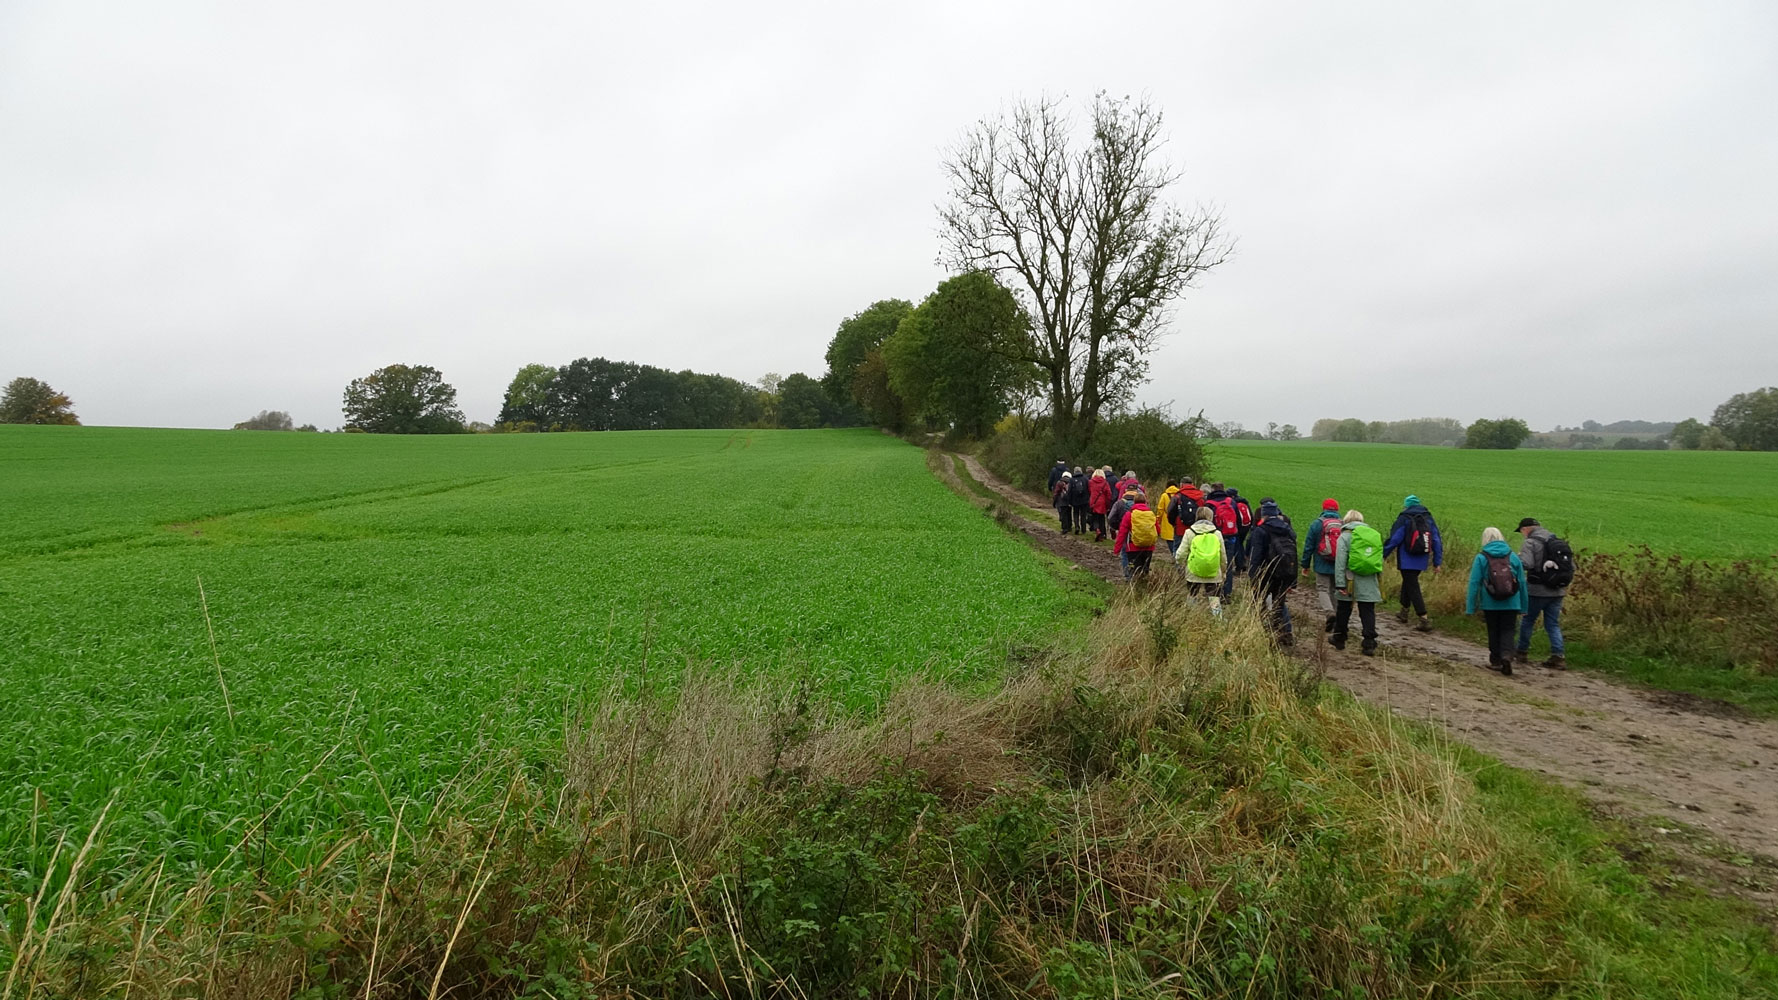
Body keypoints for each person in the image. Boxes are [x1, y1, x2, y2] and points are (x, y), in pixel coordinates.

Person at [1466, 526, 1529, 674]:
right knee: (1508, 629)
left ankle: (1495, 660)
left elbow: (1474, 583)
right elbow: (1522, 583)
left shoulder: (1481, 558)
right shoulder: (1513, 556)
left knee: (1493, 630)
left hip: (1490, 602)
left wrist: (1471, 606)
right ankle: (1507, 655)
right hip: (1511, 602)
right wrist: (1524, 606)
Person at [1515, 517, 1572, 669]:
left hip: (1537, 590)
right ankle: (1558, 656)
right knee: (1552, 624)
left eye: (1521, 531)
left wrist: (1517, 558)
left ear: (1525, 529)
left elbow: (1527, 564)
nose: (1522, 534)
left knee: (1527, 621)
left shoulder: (1530, 542)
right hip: (1558, 590)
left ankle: (1521, 652)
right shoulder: (1557, 541)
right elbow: (1571, 565)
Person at [1382, 494, 1444, 632]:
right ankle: (1404, 611)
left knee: (1412, 586)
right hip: (1422, 558)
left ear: (1406, 506)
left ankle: (1424, 618)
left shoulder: (1405, 517)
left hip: (1406, 558)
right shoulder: (1428, 518)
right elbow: (1436, 540)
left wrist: (1383, 554)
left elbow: (1395, 539)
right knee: (1409, 582)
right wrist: (1437, 562)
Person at [1245, 499, 1298, 645]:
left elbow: (1256, 555)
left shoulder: (1260, 530)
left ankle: (1262, 633)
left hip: (1265, 572)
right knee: (1279, 604)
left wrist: (1253, 576)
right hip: (1284, 572)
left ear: (1264, 515)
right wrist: (1293, 580)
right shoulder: (1288, 529)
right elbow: (1293, 553)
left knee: (1259, 603)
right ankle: (1284, 633)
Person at [1332, 510, 1383, 655]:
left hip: (1350, 578)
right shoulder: (1372, 535)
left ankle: (1339, 638)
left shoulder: (1345, 536)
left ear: (1346, 521)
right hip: (1369, 577)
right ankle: (1369, 642)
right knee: (1367, 610)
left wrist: (1340, 583)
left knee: (1343, 608)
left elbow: (1340, 562)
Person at [1300, 498, 1343, 633]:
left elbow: (1309, 546)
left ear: (1323, 508)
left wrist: (1305, 565)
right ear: (1337, 509)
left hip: (1321, 562)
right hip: (1339, 564)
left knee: (1323, 588)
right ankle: (1336, 618)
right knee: (1336, 590)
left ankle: (1329, 612)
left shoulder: (1317, 524)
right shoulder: (1344, 524)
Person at [1201, 482, 1244, 599]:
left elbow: (1206, 523)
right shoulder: (1231, 502)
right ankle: (1227, 593)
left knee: (1213, 564)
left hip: (1214, 537)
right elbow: (1238, 520)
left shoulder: (1209, 504)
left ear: (1212, 490)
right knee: (1227, 565)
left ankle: (1214, 591)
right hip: (1231, 537)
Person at [1181, 506, 1226, 614]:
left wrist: (1182, 565)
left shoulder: (1189, 532)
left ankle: (1189, 617)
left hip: (1193, 570)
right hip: (1213, 571)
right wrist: (1223, 571)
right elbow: (1223, 555)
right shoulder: (1217, 534)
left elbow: (1180, 553)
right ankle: (1217, 620)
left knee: (1192, 594)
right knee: (1214, 597)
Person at [1114, 491, 1159, 581]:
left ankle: (1135, 589)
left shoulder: (1129, 515)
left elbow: (1122, 533)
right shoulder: (1151, 514)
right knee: (1145, 570)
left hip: (1133, 547)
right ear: (1145, 502)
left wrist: (1117, 549)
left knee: (1134, 570)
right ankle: (1144, 588)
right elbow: (1158, 530)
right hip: (1148, 547)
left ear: (1134, 502)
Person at [1107, 488, 1142, 574]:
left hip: (1125, 532)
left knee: (1125, 553)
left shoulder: (1119, 503)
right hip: (1139, 531)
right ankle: (1138, 574)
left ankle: (1127, 575)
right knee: (1138, 553)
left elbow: (1110, 518)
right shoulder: (1141, 504)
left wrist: (1116, 527)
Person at [1155, 478, 1182, 560]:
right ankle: (1178, 557)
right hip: (1178, 520)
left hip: (1167, 520)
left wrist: (1158, 520)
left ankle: (1173, 555)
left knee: (1170, 540)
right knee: (1178, 539)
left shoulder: (1164, 495)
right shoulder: (1180, 494)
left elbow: (1160, 509)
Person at [1087, 469, 1112, 541]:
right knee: (1101, 518)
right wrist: (1108, 504)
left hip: (1093, 501)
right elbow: (1109, 494)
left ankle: (1097, 529)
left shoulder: (1090, 482)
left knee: (1094, 518)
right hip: (1102, 502)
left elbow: (1089, 491)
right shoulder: (1105, 483)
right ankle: (1102, 534)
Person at [1067, 467, 1090, 535]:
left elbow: (1069, 491)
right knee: (1083, 515)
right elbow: (1088, 489)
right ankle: (1084, 529)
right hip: (1084, 500)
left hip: (1075, 500)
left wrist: (1069, 501)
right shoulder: (1085, 478)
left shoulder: (1071, 480)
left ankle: (1077, 526)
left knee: (1076, 514)